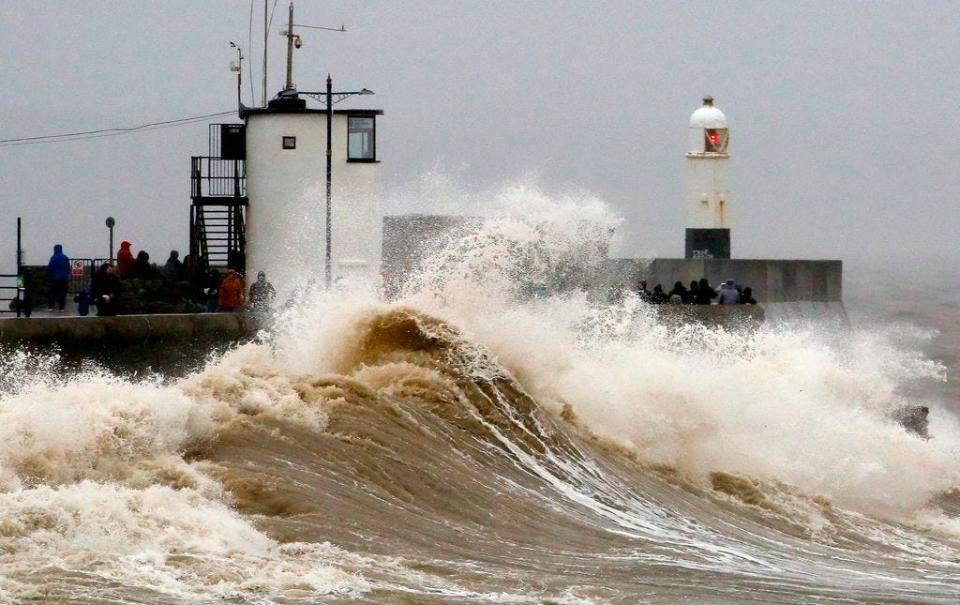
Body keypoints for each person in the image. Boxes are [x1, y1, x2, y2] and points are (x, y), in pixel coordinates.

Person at [46, 244, 71, 310]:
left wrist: (50, 275)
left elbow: (50, 268)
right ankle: (61, 307)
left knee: (52, 293)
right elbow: (68, 268)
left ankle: (51, 306)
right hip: (64, 279)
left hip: (55, 278)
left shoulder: (53, 257)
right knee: (62, 293)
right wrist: (67, 275)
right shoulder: (65, 257)